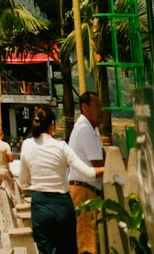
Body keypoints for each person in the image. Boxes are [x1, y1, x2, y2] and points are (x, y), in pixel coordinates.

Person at [18, 104, 100, 254]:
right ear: (53, 125)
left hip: (40, 204)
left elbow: (22, 181)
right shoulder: (61, 146)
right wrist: (110, 168)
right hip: (62, 205)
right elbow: (88, 173)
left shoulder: (27, 145)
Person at [67, 92, 105, 253]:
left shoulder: (92, 129)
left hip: (88, 191)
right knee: (86, 244)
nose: (101, 110)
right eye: (97, 106)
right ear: (84, 107)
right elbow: (100, 162)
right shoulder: (84, 129)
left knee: (88, 239)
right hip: (84, 192)